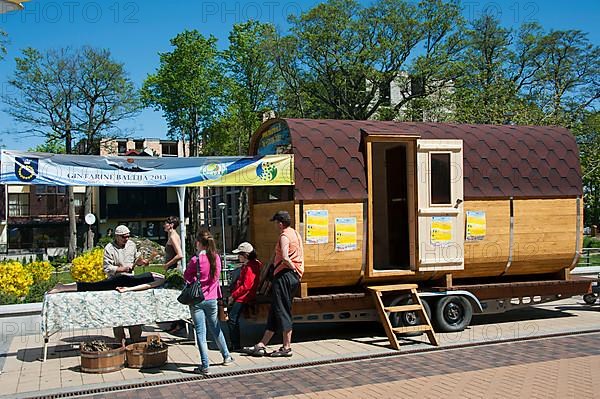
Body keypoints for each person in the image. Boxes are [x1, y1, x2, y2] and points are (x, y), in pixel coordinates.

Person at [244, 211, 304, 357]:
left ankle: (286, 347)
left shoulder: (284, 236)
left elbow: (284, 257)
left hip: (284, 276)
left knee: (282, 310)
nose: (276, 225)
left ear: (280, 223)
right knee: (277, 309)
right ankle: (262, 344)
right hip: (293, 277)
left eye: (276, 222)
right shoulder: (295, 233)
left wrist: (293, 268)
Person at [185, 230, 233, 375]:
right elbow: (216, 277)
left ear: (199, 243)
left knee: (200, 332)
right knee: (216, 328)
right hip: (212, 298)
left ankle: (205, 365)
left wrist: (195, 280)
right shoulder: (216, 258)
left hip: (197, 299)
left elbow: (187, 275)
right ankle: (226, 356)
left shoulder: (196, 260)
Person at [103, 225, 150, 344]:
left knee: (134, 310)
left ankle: (135, 339)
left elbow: (136, 260)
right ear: (117, 237)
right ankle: (120, 340)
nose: (127, 239)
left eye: (128, 236)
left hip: (130, 283)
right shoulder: (109, 248)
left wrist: (142, 262)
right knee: (118, 313)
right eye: (124, 237)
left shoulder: (132, 245)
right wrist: (122, 269)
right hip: (116, 283)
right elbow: (106, 267)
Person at [228, 242, 262, 352]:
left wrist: (233, 296)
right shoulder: (251, 264)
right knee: (233, 317)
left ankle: (235, 344)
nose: (238, 257)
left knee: (232, 318)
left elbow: (246, 286)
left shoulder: (250, 266)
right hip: (243, 295)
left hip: (244, 296)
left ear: (246, 255)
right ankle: (234, 343)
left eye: (240, 254)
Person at [162, 216, 185, 334]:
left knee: (172, 297)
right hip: (171, 270)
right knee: (172, 297)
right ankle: (175, 323)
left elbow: (180, 255)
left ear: (171, 225)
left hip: (173, 271)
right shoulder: (171, 236)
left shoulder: (173, 236)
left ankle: (179, 323)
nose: (164, 225)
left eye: (166, 223)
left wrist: (167, 265)